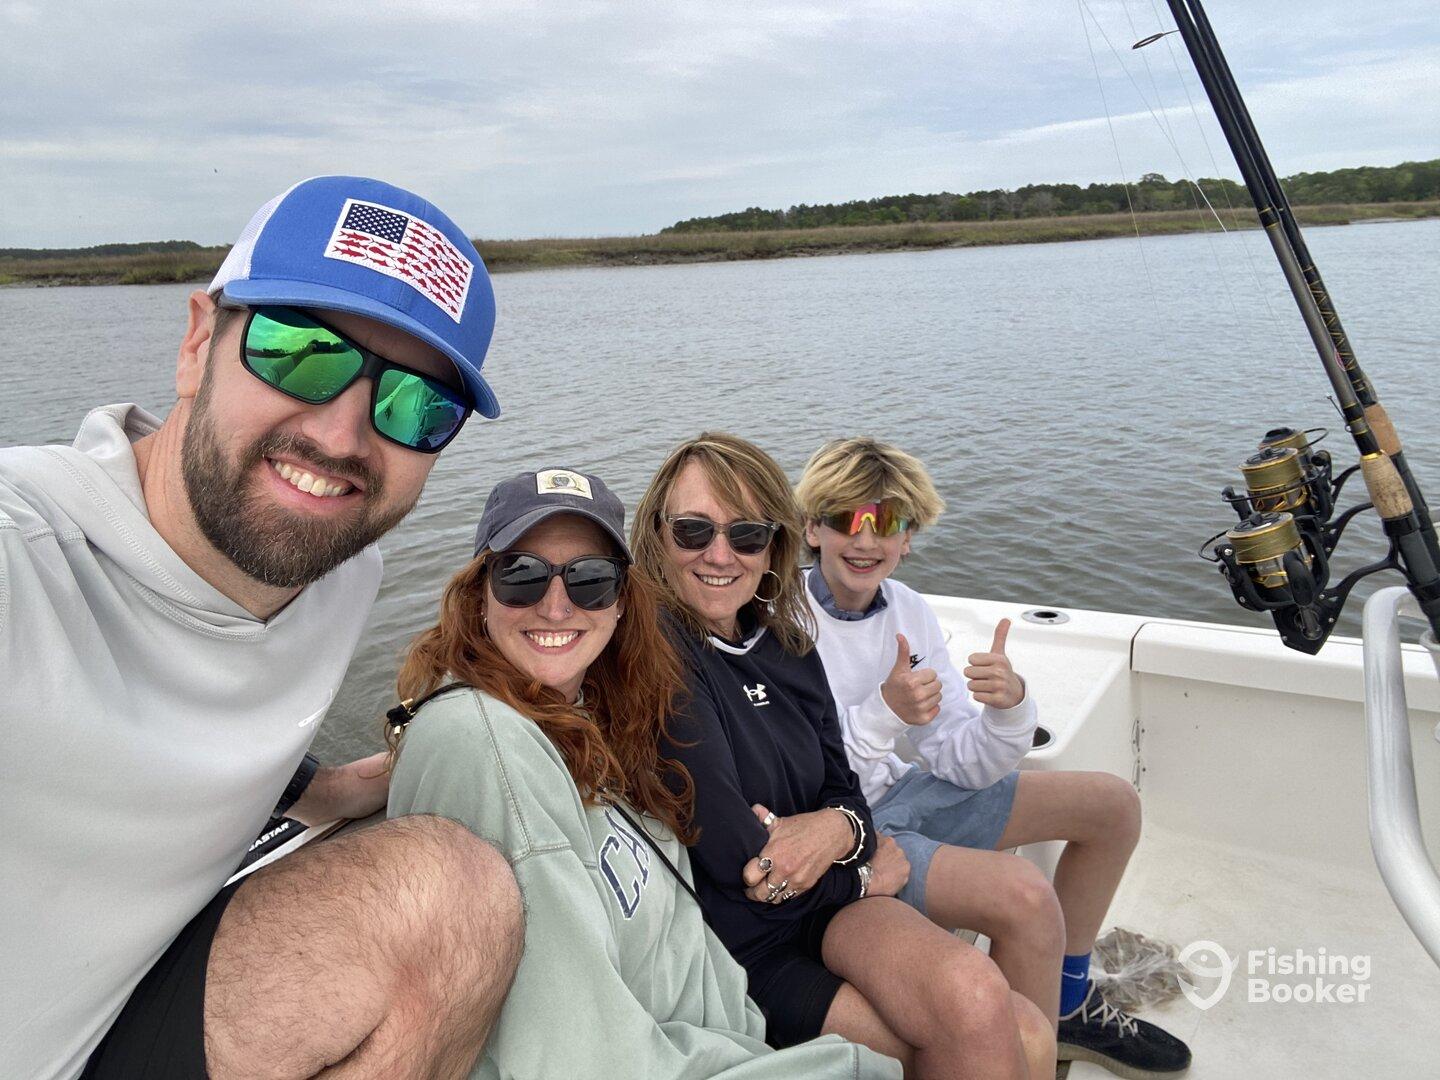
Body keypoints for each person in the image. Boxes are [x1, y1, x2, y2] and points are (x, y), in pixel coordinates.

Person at [1, 176, 524, 1080]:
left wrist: (319, 786)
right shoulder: (29, 559)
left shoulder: (337, 565)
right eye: (300, 351)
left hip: (136, 997)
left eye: (417, 405)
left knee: (460, 899)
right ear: (198, 342)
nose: (343, 435)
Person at [384, 468, 900, 1079]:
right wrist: (859, 879)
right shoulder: (484, 741)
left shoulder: (594, 718)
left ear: (623, 600)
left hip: (727, 1019)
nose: (556, 605)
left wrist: (840, 832)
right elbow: (580, 1055)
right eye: (520, 576)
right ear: (478, 592)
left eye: (591, 579)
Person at [632, 432, 1056, 1080]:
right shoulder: (662, 659)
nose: (721, 554)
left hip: (829, 907)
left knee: (1006, 1017)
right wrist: (860, 874)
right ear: (658, 535)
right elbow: (745, 863)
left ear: (773, 542)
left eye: (746, 534)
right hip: (747, 949)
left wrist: (836, 828)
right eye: (693, 531)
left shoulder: (785, 646)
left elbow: (846, 792)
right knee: (954, 1043)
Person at [794, 437, 1192, 1078]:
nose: (866, 540)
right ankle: (1027, 1060)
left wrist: (1007, 710)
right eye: (846, 518)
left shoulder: (909, 610)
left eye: (887, 523)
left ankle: (1067, 1004)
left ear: (908, 539)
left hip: (904, 791)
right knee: (1026, 897)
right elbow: (803, 777)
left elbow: (959, 760)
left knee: (1112, 805)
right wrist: (885, 713)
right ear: (812, 526)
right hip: (847, 829)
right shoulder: (782, 622)